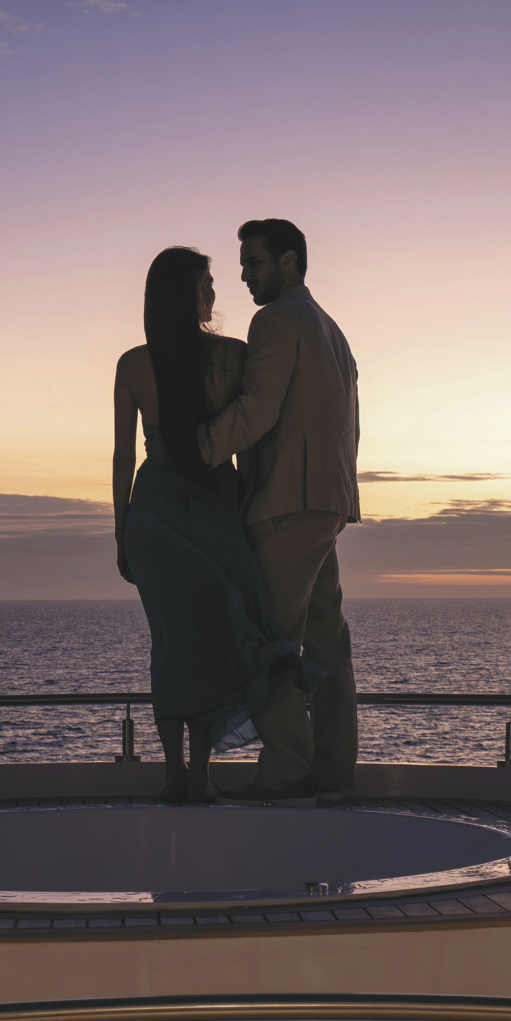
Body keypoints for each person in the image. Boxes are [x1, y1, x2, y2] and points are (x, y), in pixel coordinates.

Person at [112, 246, 309, 805]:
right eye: (208, 284)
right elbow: (247, 447)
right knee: (214, 642)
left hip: (153, 512)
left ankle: (176, 775)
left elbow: (124, 458)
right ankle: (198, 774)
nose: (216, 293)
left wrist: (121, 533)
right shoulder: (231, 357)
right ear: (191, 295)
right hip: (214, 508)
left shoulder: (133, 364)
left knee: (171, 645)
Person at [196, 218, 360, 805]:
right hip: (328, 503)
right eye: (243, 265)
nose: (244, 276)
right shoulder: (331, 330)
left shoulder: (276, 321)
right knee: (327, 644)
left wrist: (197, 448)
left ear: (288, 262)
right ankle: (335, 772)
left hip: (287, 504)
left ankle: (287, 769)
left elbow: (257, 409)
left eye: (254, 263)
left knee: (268, 640)